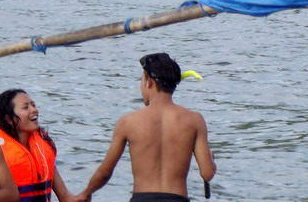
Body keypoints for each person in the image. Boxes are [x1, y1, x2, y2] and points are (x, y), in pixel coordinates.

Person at [75, 54, 215, 202]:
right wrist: (211, 160)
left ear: (149, 82)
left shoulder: (128, 121)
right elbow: (207, 173)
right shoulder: (194, 120)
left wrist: (86, 193)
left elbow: (105, 172)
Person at [0, 90, 73, 202]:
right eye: (26, 107)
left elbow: (64, 195)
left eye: (33, 105)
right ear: (9, 119)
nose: (34, 110)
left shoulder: (43, 147)